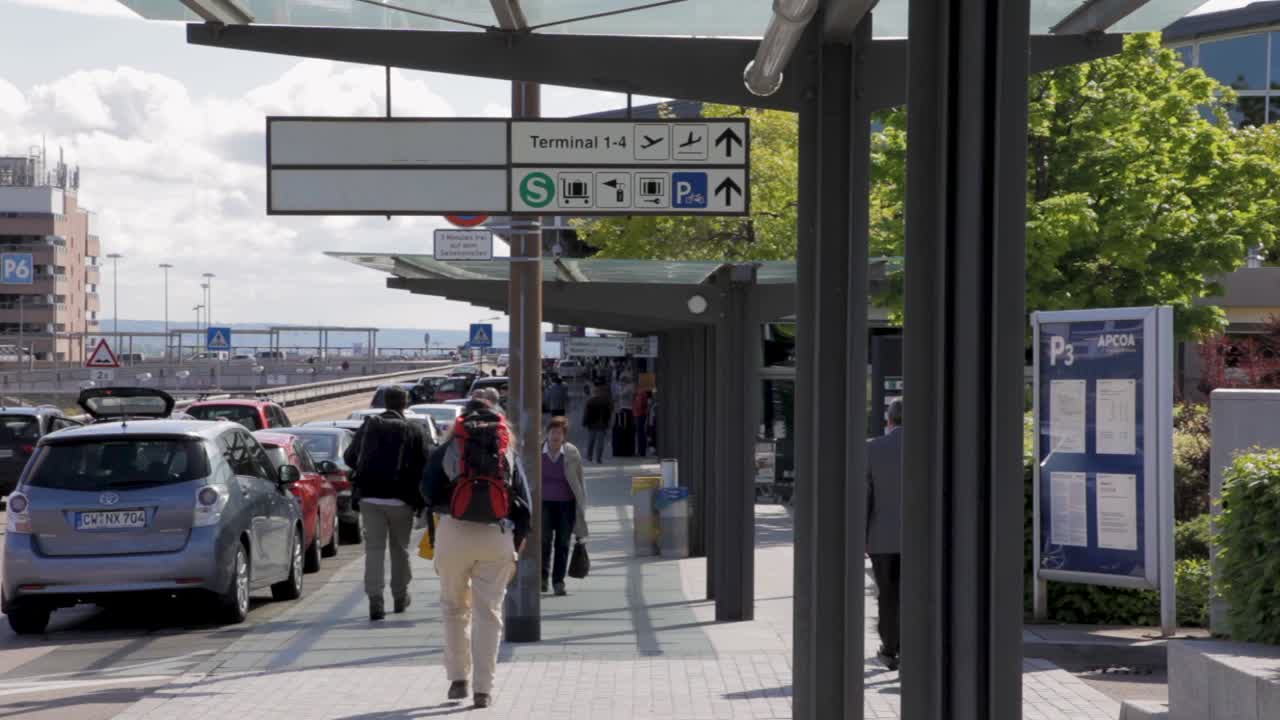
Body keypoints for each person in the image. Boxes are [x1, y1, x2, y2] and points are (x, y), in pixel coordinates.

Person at [421, 389, 531, 709]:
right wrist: (519, 537)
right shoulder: (506, 449)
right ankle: (484, 689)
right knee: (489, 613)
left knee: (453, 608)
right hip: (496, 535)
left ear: (460, 422)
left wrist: (454, 501)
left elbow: (427, 492)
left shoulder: (448, 448)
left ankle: (458, 679)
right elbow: (525, 500)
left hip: (454, 533)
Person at [343, 385, 431, 621]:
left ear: (385, 402)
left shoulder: (369, 426)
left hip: (370, 498)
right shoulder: (414, 430)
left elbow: (349, 458)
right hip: (402, 500)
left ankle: (375, 600)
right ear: (405, 404)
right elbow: (427, 463)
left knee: (374, 551)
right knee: (400, 550)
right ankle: (400, 596)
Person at [866, 398, 904, 671]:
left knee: (888, 595)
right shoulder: (934, 448)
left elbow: (864, 498)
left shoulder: (873, 448)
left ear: (889, 420)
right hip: (923, 541)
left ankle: (890, 649)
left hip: (881, 537)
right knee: (917, 592)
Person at [540, 416, 588, 595]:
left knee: (562, 543)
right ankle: (542, 579)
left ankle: (558, 582)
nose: (555, 436)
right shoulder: (538, 452)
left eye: (559, 433)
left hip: (566, 505)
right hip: (543, 504)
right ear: (547, 433)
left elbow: (580, 480)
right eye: (552, 432)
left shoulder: (571, 452)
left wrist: (582, 506)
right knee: (543, 542)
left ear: (564, 436)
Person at [581, 383, 613, 464]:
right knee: (600, 442)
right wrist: (608, 423)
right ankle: (598, 458)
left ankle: (589, 456)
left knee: (591, 440)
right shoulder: (606, 401)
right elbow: (609, 413)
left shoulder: (590, 401)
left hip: (591, 423)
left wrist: (584, 422)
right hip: (602, 424)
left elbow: (586, 413)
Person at [631, 383, 650, 457]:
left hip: (640, 415)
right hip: (639, 414)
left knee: (640, 433)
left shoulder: (641, 394)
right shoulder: (639, 394)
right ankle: (641, 451)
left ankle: (641, 451)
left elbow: (640, 405)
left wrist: (635, 410)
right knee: (640, 433)